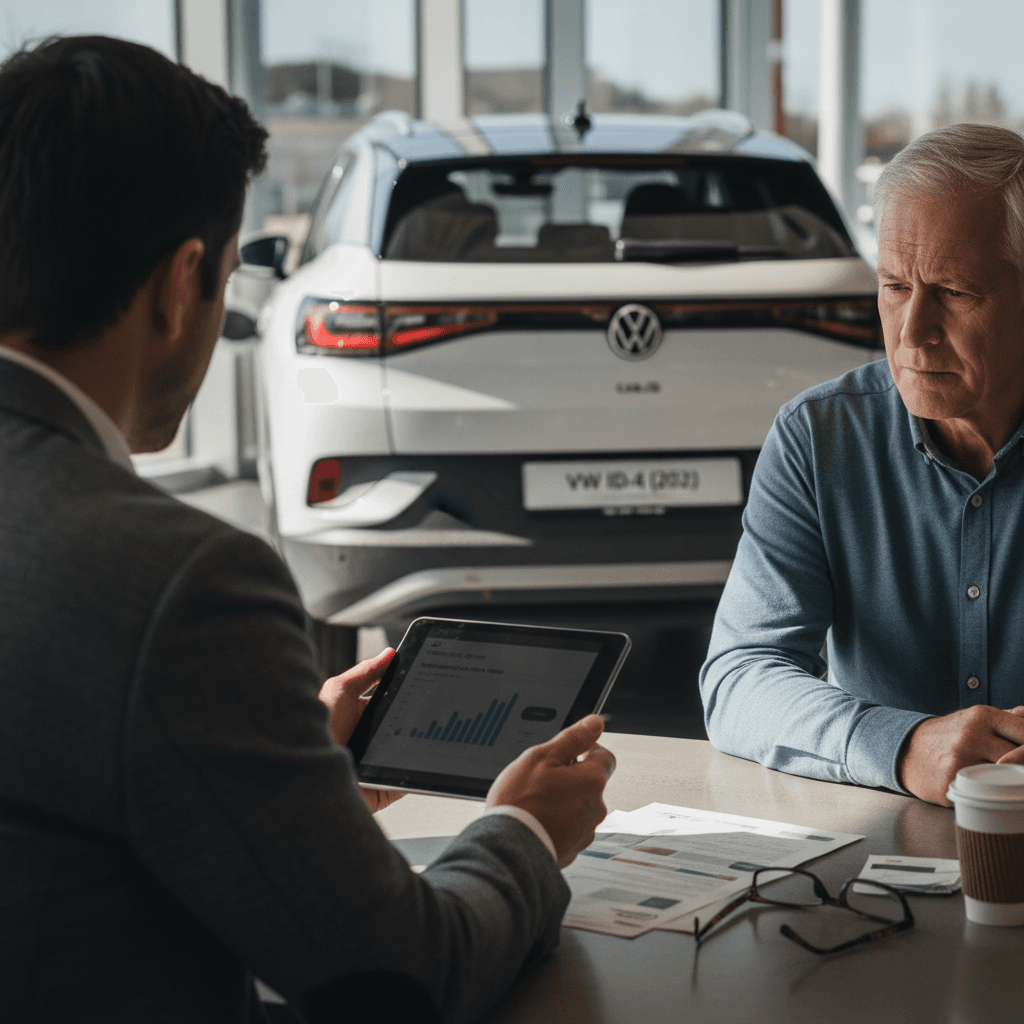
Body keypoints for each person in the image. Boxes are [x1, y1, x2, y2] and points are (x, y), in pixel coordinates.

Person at [0, 36, 616, 1023]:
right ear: (179, 282)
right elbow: (402, 979)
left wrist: (285, 789)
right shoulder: (176, 581)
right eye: (230, 273)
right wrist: (522, 834)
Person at [700, 122, 1024, 808]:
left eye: (955, 292)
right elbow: (741, 675)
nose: (912, 333)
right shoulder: (819, 438)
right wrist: (904, 746)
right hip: (881, 853)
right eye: (896, 287)